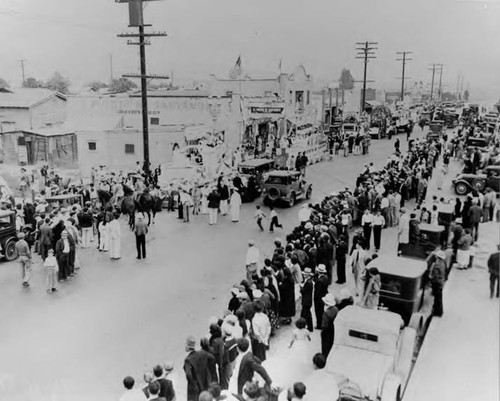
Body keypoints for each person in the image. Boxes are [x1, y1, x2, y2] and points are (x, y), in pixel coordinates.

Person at [184, 336, 211, 401]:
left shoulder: (188, 360)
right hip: (204, 382)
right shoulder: (202, 353)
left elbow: (188, 375)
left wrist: (193, 385)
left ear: (187, 348)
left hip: (195, 387)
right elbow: (212, 358)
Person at [429, 249, 446, 317]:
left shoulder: (437, 264)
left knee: (437, 298)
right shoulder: (443, 262)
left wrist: (432, 280)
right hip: (441, 281)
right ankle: (439, 311)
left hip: (437, 282)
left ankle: (437, 312)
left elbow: (435, 275)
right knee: (439, 297)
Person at [320, 293, 338, 358]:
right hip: (333, 330)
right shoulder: (335, 309)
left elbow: (324, 325)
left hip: (326, 331)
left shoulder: (326, 313)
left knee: (325, 347)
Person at [313, 264, 329, 329]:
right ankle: (321, 323)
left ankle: (319, 324)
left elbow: (318, 291)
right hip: (324, 296)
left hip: (319, 298)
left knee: (318, 312)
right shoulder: (325, 277)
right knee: (321, 311)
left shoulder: (319, 281)